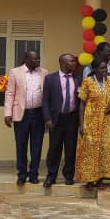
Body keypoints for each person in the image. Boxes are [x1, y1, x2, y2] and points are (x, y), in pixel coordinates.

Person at [4, 49, 47, 185]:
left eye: (39, 59)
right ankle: (22, 174)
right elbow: (10, 93)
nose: (38, 61)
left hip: (38, 113)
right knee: (21, 145)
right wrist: (7, 113)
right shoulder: (15, 72)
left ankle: (34, 174)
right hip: (21, 114)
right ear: (27, 59)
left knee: (37, 146)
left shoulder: (44, 72)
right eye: (35, 59)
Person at [75, 58, 110, 188]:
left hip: (106, 121)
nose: (105, 70)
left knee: (104, 149)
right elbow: (82, 104)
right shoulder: (88, 82)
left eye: (106, 68)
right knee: (90, 150)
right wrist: (81, 124)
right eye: (102, 68)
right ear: (94, 69)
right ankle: (89, 180)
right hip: (91, 120)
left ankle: (100, 179)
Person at [42, 53, 81, 187]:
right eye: (71, 61)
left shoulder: (77, 79)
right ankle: (51, 176)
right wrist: (47, 119)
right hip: (56, 119)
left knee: (70, 149)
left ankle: (69, 176)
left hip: (72, 118)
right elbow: (45, 101)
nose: (74, 63)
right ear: (63, 63)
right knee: (54, 149)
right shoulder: (50, 79)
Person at [83, 41, 110, 110]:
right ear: (99, 52)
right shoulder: (89, 68)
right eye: (108, 51)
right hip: (94, 109)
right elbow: (86, 91)